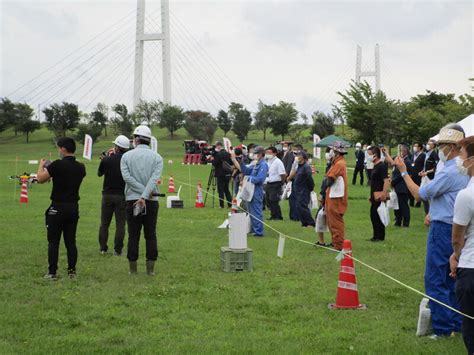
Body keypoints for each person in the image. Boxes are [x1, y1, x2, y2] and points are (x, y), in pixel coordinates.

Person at [394, 123, 469, 338]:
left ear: (453, 147)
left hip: (443, 229)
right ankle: (455, 324)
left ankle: (443, 328)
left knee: (436, 279)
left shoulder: (450, 170)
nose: (439, 149)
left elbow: (420, 194)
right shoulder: (460, 167)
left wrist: (404, 172)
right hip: (454, 224)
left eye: (442, 145)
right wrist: (433, 211)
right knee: (452, 277)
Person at [36, 137, 86, 280]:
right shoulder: (81, 167)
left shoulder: (57, 165)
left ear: (63, 149)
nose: (58, 150)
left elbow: (40, 179)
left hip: (57, 207)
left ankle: (52, 272)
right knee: (71, 241)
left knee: (53, 241)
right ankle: (72, 272)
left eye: (59, 148)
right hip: (73, 207)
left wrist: (42, 165)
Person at [121, 125, 163, 276]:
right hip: (151, 200)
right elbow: (154, 179)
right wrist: (145, 195)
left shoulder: (126, 156)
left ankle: (133, 270)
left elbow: (127, 178)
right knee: (150, 234)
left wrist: (140, 195)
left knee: (133, 234)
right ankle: (150, 270)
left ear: (137, 139)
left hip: (132, 200)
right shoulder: (157, 157)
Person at [449, 135, 474, 353]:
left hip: (471, 267)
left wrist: (456, 256)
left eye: (462, 155)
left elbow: (457, 237)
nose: (459, 160)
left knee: (471, 331)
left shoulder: (467, 195)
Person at [97, 135, 129, 256]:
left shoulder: (107, 160)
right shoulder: (128, 160)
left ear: (116, 147)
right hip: (122, 195)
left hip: (107, 195)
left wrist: (104, 160)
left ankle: (103, 248)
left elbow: (99, 174)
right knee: (120, 224)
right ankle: (118, 250)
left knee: (104, 224)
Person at [230, 146, 268, 236]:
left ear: (260, 154)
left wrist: (248, 178)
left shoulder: (263, 165)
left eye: (255, 153)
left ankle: (259, 232)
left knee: (256, 211)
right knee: (251, 212)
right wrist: (241, 162)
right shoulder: (256, 164)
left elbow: (260, 179)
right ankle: (253, 229)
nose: (253, 155)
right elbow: (246, 171)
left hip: (256, 190)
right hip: (250, 190)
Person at [325, 141, 348, 250]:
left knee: (335, 221)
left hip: (336, 198)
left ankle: (339, 245)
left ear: (337, 152)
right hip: (332, 195)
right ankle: (335, 242)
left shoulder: (339, 164)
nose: (330, 152)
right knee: (331, 220)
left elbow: (330, 179)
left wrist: (325, 184)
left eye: (332, 150)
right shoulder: (337, 162)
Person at [367, 146, 390, 242]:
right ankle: (375, 235)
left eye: (369, 154)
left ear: (375, 155)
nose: (368, 157)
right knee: (373, 215)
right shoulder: (375, 166)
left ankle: (380, 236)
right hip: (374, 195)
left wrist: (384, 194)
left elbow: (386, 181)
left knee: (377, 216)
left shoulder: (381, 166)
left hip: (379, 195)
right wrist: (371, 195)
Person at [386, 143, 412, 227]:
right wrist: (386, 153)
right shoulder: (399, 160)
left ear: (404, 152)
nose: (400, 152)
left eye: (401, 150)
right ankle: (398, 220)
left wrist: (393, 182)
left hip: (402, 187)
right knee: (396, 205)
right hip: (397, 186)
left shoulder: (407, 162)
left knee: (403, 205)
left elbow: (403, 175)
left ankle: (406, 222)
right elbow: (391, 162)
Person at [293, 151, 315, 228]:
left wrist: (310, 188)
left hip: (304, 189)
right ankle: (304, 222)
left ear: (303, 157)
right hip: (298, 189)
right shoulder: (299, 166)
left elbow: (309, 178)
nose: (297, 157)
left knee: (303, 206)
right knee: (299, 206)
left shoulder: (306, 167)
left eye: (299, 155)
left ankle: (311, 223)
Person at [315, 147, 332, 246]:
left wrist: (322, 194)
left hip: (329, 195)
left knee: (330, 220)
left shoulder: (334, 165)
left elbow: (328, 182)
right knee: (319, 217)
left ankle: (335, 241)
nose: (327, 154)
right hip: (325, 193)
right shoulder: (329, 165)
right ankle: (321, 241)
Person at [264, 147, 286, 220]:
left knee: (274, 200)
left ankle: (278, 216)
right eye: (267, 153)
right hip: (269, 182)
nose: (268, 154)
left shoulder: (278, 162)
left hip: (276, 183)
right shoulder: (268, 161)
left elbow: (282, 174)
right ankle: (273, 215)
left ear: (274, 153)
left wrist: (282, 183)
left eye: (270, 153)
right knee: (268, 200)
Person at [420, 139, 439, 215]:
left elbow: (436, 167)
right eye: (427, 144)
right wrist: (422, 171)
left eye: (429, 144)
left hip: (430, 177)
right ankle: (427, 212)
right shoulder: (427, 154)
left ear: (433, 146)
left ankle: (433, 212)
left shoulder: (435, 155)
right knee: (423, 194)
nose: (427, 145)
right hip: (425, 177)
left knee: (431, 195)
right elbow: (425, 165)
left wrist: (427, 172)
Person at [211, 141, 233, 208]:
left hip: (220, 174)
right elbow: (231, 163)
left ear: (218, 146)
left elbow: (215, 163)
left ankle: (221, 205)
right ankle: (230, 204)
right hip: (227, 174)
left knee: (220, 190)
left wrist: (212, 160)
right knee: (226, 190)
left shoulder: (218, 154)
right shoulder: (228, 154)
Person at [286, 144, 304, 221]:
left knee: (295, 199)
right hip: (294, 181)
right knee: (292, 199)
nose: (295, 155)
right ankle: (293, 215)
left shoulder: (299, 162)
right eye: (294, 153)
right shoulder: (296, 160)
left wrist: (289, 178)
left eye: (296, 153)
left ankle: (295, 216)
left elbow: (295, 171)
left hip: (297, 181)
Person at [409, 142, 425, 208]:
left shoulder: (423, 155)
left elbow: (424, 165)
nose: (415, 147)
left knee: (418, 188)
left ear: (420, 147)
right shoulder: (413, 155)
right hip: (412, 174)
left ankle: (418, 203)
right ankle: (411, 202)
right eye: (414, 146)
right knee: (411, 188)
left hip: (419, 175)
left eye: (416, 146)